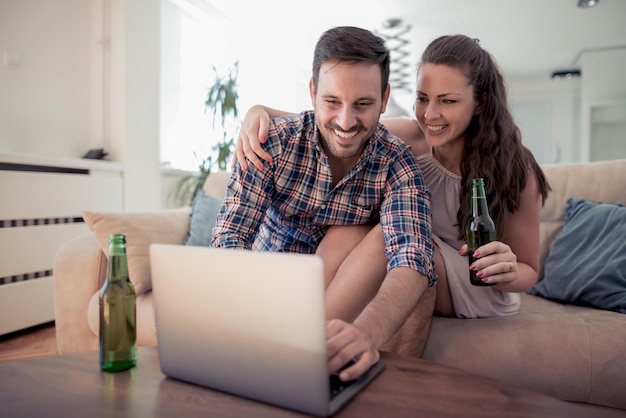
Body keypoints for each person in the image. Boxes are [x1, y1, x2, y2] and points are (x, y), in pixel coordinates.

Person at [235, 34, 551, 320]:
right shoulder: (409, 137)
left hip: (473, 284)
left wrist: (508, 268)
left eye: (448, 101)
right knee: (352, 226)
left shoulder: (514, 168)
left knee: (382, 235)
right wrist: (258, 112)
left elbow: (530, 270)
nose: (430, 114)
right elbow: (336, 124)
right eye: (423, 98)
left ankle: (306, 332)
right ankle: (297, 313)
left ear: (479, 102)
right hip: (416, 255)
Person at [211, 26, 436, 381]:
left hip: (337, 295)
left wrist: (368, 334)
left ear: (384, 96)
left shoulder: (397, 163)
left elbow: (413, 255)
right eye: (332, 102)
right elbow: (230, 237)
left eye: (363, 104)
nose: (346, 122)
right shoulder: (272, 144)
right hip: (267, 287)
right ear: (313, 91)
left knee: (372, 234)